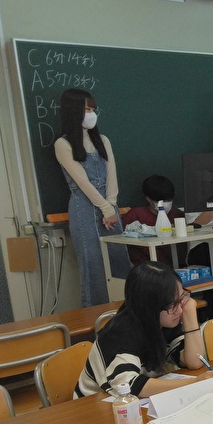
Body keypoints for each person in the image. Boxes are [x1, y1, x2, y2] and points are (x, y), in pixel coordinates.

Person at [75, 261, 207, 398]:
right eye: (171, 304)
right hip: (95, 404)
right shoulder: (121, 334)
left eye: (181, 298)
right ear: (149, 307)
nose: (179, 309)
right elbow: (130, 386)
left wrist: (190, 313)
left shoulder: (164, 321)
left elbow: (194, 361)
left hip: (136, 401)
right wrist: (193, 383)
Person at [55, 88, 130, 306]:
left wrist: (112, 205)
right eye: (86, 109)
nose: (91, 114)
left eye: (93, 109)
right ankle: (96, 318)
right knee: (92, 265)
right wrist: (105, 209)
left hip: (110, 207)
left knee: (119, 259)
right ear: (73, 111)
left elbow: (112, 174)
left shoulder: (103, 140)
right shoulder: (63, 144)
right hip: (84, 208)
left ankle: (128, 312)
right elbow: (82, 182)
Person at [121, 174, 186, 266]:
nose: (165, 204)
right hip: (145, 268)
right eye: (160, 201)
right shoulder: (135, 216)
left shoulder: (177, 215)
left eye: (168, 200)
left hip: (176, 268)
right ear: (148, 199)